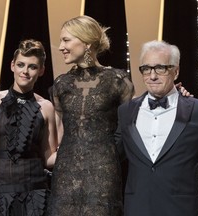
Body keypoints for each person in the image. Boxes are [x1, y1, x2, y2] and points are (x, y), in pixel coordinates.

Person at [115, 40, 198, 216]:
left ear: (176, 71)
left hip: (181, 208)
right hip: (137, 207)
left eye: (160, 68)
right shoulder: (125, 111)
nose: (152, 76)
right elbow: (112, 155)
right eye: (146, 69)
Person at [46, 15, 135, 216]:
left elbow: (130, 129)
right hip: (65, 177)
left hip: (103, 175)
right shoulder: (61, 84)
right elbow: (59, 132)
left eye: (66, 40)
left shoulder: (117, 80)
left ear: (86, 43)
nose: (60, 46)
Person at [0, 39, 58, 216]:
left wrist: (79, 149)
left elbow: (48, 156)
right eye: (21, 65)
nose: (25, 71)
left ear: (41, 70)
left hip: (35, 192)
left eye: (32, 67)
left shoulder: (46, 106)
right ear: (12, 66)